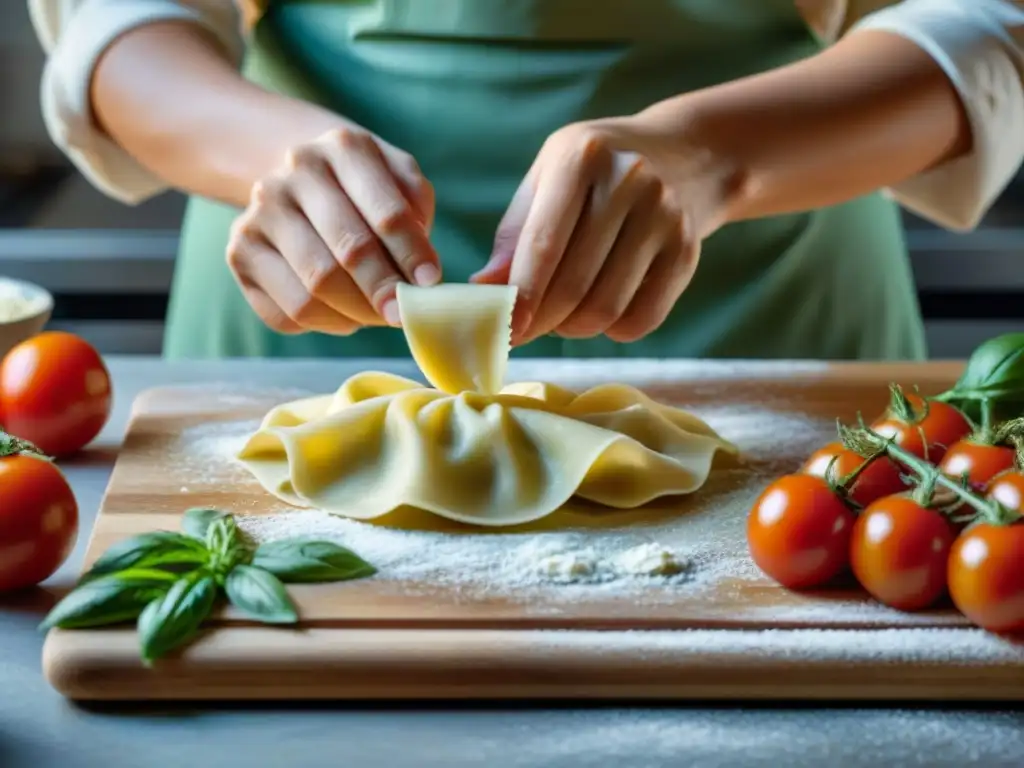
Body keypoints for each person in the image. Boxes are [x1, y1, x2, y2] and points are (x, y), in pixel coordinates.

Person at [30, 0, 1024, 361]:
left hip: (773, 317)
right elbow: (113, 19)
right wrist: (270, 156)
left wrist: (711, 156)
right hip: (294, 325)